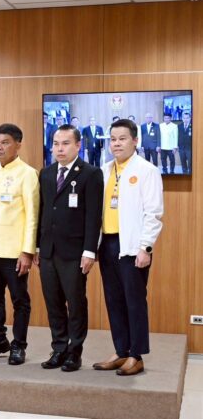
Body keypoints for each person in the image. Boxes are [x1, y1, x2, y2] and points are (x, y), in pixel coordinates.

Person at [94, 118, 163, 376]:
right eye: (113, 139)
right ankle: (121, 351)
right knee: (114, 300)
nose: (116, 144)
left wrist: (146, 247)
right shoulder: (104, 170)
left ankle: (136, 355)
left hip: (133, 246)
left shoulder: (147, 170)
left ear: (135, 140)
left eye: (122, 139)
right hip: (108, 243)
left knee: (134, 301)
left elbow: (153, 213)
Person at [35, 125, 103, 372]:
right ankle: (59, 348)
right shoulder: (46, 173)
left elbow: (93, 216)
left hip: (74, 252)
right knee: (53, 303)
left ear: (78, 145)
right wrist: (37, 246)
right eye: (55, 144)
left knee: (75, 303)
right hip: (48, 250)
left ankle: (75, 351)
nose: (59, 149)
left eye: (65, 143)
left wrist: (89, 251)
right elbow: (42, 211)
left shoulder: (90, 174)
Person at [0, 124, 39, 365]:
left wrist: (27, 251)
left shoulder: (28, 173)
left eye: (5, 142)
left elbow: (32, 215)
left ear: (18, 145)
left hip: (14, 251)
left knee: (19, 300)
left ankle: (19, 345)